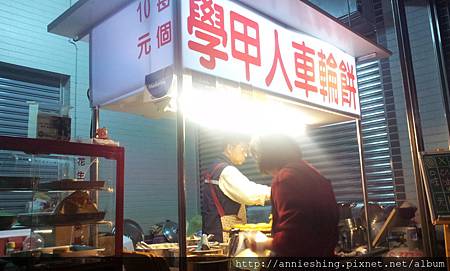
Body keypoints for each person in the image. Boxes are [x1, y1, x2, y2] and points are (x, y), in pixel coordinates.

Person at [247, 134, 339, 257]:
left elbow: (292, 238)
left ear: (264, 156)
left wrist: (263, 243)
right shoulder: (313, 173)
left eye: (257, 157)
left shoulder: (285, 178)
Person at [201, 133, 271, 243]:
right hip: (224, 234)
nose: (246, 154)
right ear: (229, 148)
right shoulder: (226, 170)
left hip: (213, 230)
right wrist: (273, 191)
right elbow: (248, 193)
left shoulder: (215, 167)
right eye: (243, 149)